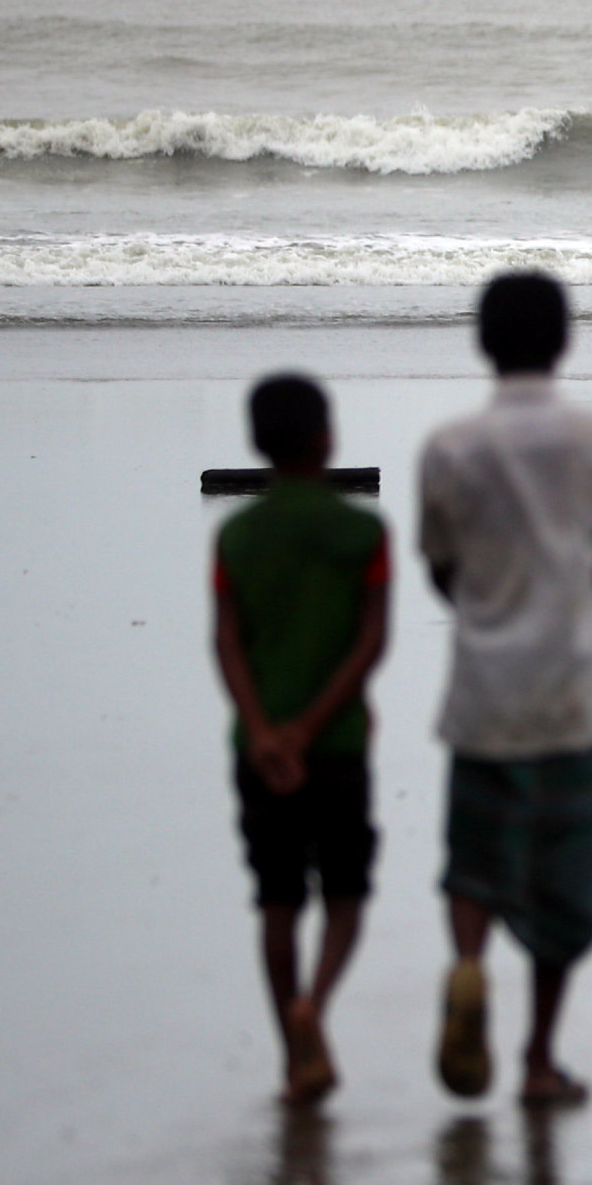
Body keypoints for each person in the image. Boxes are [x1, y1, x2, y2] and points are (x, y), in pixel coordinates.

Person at [418, 270, 592, 1109]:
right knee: (564, 886)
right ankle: (541, 1059)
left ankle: (470, 965)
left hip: (482, 693)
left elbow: (444, 569)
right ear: (565, 339)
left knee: (474, 861)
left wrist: (489, 615)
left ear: (483, 342)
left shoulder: (448, 448)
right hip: (576, 694)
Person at [211, 372, 392, 1105]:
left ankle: (295, 1055)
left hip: (258, 753)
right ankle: (316, 1000)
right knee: (344, 894)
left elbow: (226, 642)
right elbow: (371, 640)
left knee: (278, 901)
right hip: (339, 742)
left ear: (257, 443)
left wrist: (264, 731)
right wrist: (311, 728)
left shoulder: (236, 535)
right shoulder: (362, 531)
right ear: (328, 437)